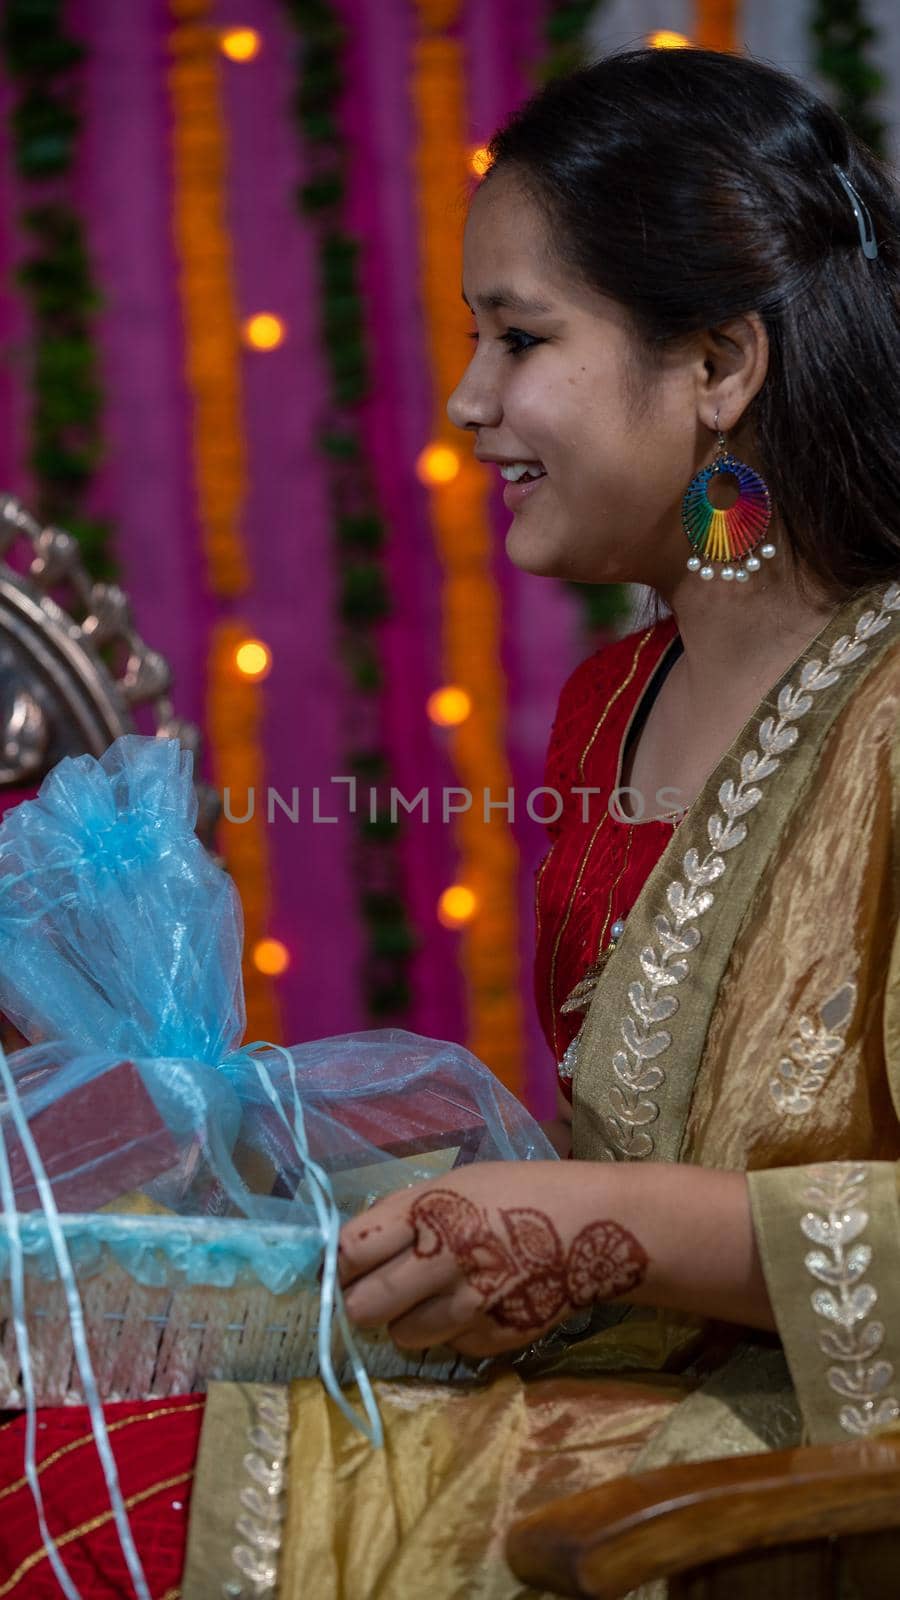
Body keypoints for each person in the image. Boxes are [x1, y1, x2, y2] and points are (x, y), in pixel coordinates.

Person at [3, 41, 900, 1600]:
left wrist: (590, 1214)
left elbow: (658, 1197)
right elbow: (644, 1157)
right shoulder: (613, 706)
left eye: (519, 336)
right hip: (599, 1396)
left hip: (780, 1480)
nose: (470, 402)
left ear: (717, 366)